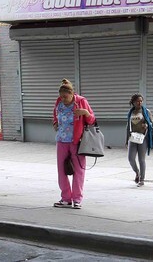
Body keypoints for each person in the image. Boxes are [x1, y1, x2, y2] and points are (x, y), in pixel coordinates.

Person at [52, 78, 95, 209]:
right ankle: (65, 198)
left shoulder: (81, 101)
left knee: (78, 170)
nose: (63, 99)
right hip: (61, 140)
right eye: (61, 97)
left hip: (77, 141)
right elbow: (55, 114)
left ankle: (77, 199)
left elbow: (92, 119)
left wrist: (85, 112)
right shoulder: (58, 101)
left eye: (65, 97)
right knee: (62, 170)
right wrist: (55, 123)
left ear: (72, 94)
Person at [126, 93, 153, 187]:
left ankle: (142, 180)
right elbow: (128, 126)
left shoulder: (146, 111)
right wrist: (126, 139)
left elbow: (152, 123)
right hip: (133, 137)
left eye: (141, 101)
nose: (139, 103)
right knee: (131, 158)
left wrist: (146, 125)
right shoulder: (130, 112)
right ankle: (137, 172)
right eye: (137, 101)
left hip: (143, 137)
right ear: (133, 102)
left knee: (141, 159)